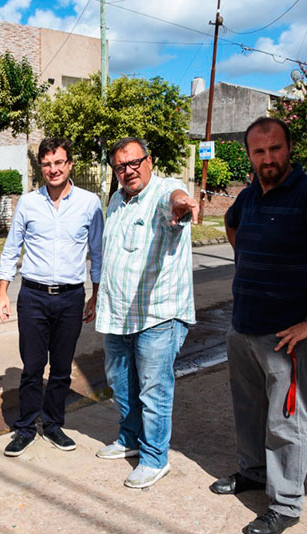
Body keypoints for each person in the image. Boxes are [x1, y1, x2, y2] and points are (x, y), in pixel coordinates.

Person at [210, 117, 307, 534]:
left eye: (275, 148)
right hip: (243, 327)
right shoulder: (248, 197)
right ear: (249, 155)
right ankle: (253, 472)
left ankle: (285, 503)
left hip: (287, 337)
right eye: (259, 151)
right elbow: (232, 225)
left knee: (287, 423)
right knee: (249, 410)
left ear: (289, 148)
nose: (268, 158)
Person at [94, 137, 198, 489]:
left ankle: (155, 458)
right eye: (120, 166)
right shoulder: (116, 201)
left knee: (154, 390)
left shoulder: (164, 190)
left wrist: (181, 204)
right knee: (121, 383)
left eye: (135, 162)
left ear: (149, 161)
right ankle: (130, 439)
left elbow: (175, 201)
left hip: (158, 315)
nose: (129, 170)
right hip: (118, 314)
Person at [0, 137, 103, 457]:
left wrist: (95, 295)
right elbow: (12, 248)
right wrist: (2, 292)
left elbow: (97, 252)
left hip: (70, 298)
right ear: (40, 167)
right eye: (47, 164)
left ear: (70, 165)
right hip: (33, 296)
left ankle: (54, 424)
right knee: (32, 367)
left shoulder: (89, 203)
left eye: (58, 162)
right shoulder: (28, 203)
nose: (53, 169)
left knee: (61, 368)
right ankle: (26, 427)